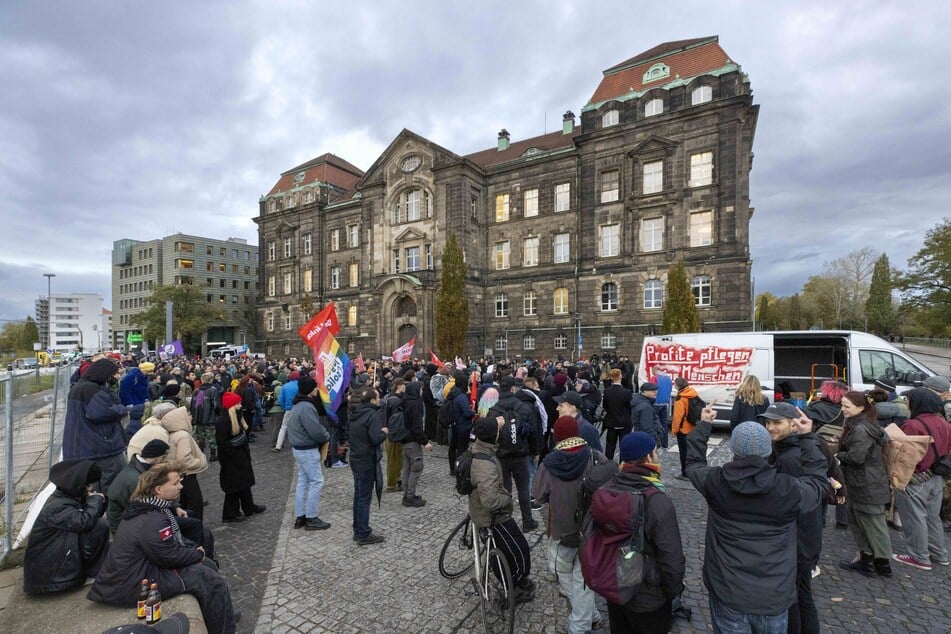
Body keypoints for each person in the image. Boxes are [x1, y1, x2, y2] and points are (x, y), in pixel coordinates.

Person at [686, 411, 827, 632]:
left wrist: (704, 425)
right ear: (767, 449)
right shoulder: (787, 489)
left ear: (734, 449)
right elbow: (818, 482)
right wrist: (806, 438)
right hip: (773, 593)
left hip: (728, 589)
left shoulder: (715, 482)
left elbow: (693, 464)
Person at [89, 463, 239, 634]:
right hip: (134, 583)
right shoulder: (153, 519)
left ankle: (222, 615)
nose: (181, 486)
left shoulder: (150, 507)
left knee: (209, 566)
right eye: (175, 483)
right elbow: (168, 555)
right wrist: (196, 553)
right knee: (211, 580)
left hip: (138, 572)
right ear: (159, 490)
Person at [532, 417, 615, 634]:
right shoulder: (595, 457)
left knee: (564, 574)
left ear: (557, 436)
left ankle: (579, 626)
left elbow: (538, 496)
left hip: (562, 530)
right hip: (592, 529)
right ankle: (591, 615)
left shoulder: (549, 463)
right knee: (583, 579)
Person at [597, 431, 685, 634]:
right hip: (648, 595)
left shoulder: (606, 489)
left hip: (615, 585)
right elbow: (671, 555)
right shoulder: (656, 499)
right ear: (649, 457)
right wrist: (670, 592)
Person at [760, 402, 827, 634]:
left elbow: (791, 502)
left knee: (795, 599)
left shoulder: (790, 457)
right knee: (801, 594)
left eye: (776, 422)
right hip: (803, 538)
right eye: (767, 422)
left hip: (797, 539)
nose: (770, 427)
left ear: (793, 424)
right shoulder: (793, 449)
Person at [468, 416, 535, 604]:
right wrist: (507, 498)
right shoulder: (485, 464)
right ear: (492, 436)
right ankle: (512, 588)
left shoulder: (478, 448)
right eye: (497, 431)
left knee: (501, 549)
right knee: (520, 549)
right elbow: (490, 500)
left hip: (480, 511)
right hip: (493, 516)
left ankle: (514, 582)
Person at [23, 459, 110, 595]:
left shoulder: (66, 497)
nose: (91, 488)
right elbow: (83, 522)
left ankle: (92, 570)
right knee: (100, 525)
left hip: (56, 566)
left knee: (99, 525)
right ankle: (89, 572)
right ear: (77, 484)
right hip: (50, 578)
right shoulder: (57, 507)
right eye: (88, 485)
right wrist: (95, 500)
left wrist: (98, 500)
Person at [891, 388, 950, 570]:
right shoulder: (945, 423)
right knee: (933, 518)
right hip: (936, 477)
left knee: (915, 517)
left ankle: (919, 557)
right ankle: (939, 554)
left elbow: (903, 453)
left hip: (916, 477)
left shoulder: (913, 425)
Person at [836, 391, 893, 577]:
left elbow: (856, 457)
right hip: (864, 482)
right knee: (859, 521)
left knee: (873, 524)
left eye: (846, 406)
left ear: (860, 407)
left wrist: (837, 456)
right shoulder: (866, 423)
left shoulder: (860, 429)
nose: (842, 409)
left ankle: (881, 564)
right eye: (842, 405)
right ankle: (867, 559)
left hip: (866, 484)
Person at [64, 357, 138, 490]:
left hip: (85, 445)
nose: (116, 377)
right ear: (105, 374)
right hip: (99, 446)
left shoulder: (80, 387)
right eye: (114, 374)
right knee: (112, 482)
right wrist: (122, 409)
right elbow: (101, 412)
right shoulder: (91, 389)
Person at [490, 376, 539, 532]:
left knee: (505, 490)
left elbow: (489, 435)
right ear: (513, 389)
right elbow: (533, 432)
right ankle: (527, 521)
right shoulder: (524, 407)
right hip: (521, 454)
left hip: (502, 455)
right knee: (523, 489)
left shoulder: (493, 410)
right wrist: (535, 451)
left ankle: (506, 523)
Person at [286, 375, 331, 531]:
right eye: (315, 387)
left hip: (299, 448)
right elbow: (315, 430)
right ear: (310, 389)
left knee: (303, 482)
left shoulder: (298, 404)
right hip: (307, 449)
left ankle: (300, 516)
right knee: (316, 481)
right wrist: (326, 435)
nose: (317, 390)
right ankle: (311, 517)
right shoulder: (306, 406)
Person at [216, 391, 266, 522]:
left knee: (244, 484)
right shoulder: (224, 421)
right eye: (238, 403)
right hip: (232, 459)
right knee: (234, 488)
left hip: (240, 457)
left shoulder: (236, 415)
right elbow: (222, 443)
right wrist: (235, 449)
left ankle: (249, 507)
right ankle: (230, 514)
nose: (240, 404)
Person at [348, 388, 386, 545]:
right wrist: (384, 432)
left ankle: (358, 529)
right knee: (364, 498)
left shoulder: (355, 413)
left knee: (358, 496)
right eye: (377, 397)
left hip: (355, 458)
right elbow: (374, 438)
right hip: (366, 460)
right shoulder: (372, 415)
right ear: (372, 400)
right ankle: (363, 533)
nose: (379, 399)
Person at [400, 376, 432, 507]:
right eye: (420, 389)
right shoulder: (415, 404)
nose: (421, 392)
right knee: (416, 468)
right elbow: (417, 427)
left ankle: (407, 494)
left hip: (404, 440)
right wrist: (425, 442)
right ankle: (410, 496)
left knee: (407, 468)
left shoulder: (405, 401)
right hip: (413, 441)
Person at [447, 372, 477, 475]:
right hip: (463, 426)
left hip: (454, 424)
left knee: (452, 448)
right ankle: (459, 468)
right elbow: (467, 413)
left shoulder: (453, 392)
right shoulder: (461, 396)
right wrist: (474, 412)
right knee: (461, 448)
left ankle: (452, 469)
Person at [670, 377, 700, 480]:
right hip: (693, 427)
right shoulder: (693, 393)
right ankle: (693, 471)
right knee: (692, 451)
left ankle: (685, 474)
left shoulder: (680, 398)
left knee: (684, 452)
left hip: (683, 429)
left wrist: (674, 430)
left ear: (678, 386)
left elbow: (677, 417)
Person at [601, 368, 633, 460]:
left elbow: (605, 406)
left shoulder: (607, 391)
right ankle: (622, 464)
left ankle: (608, 464)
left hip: (611, 421)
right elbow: (629, 407)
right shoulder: (626, 392)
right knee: (624, 445)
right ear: (620, 376)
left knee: (610, 445)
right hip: (624, 421)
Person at [381, 378, 406, 492]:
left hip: (392, 432)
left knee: (397, 458)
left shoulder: (388, 397)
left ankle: (397, 478)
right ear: (399, 386)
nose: (405, 387)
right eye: (403, 385)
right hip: (394, 433)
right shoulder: (395, 400)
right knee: (394, 459)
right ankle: (391, 484)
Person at [191, 371, 221, 462]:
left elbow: (192, 405)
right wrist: (218, 414)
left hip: (198, 417)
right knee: (211, 436)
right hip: (210, 417)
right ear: (211, 379)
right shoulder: (213, 390)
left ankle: (200, 454)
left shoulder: (196, 390)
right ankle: (212, 455)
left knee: (200, 436)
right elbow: (216, 405)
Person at [119, 361, 152, 442]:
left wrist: (146, 399)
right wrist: (129, 404)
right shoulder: (131, 377)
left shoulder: (145, 377)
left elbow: (145, 390)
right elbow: (125, 391)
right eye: (150, 371)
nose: (151, 373)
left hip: (141, 403)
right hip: (132, 404)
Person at [631, 382, 664, 450]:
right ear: (645, 391)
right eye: (653, 390)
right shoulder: (645, 407)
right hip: (647, 440)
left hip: (640, 436)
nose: (656, 392)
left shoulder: (640, 401)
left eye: (656, 390)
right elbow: (647, 428)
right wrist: (656, 441)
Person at [272, 370, 300, 451]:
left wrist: (285, 407)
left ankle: (278, 446)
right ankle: (297, 444)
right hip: (298, 408)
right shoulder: (300, 385)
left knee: (283, 427)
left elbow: (280, 399)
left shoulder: (285, 386)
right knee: (298, 427)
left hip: (288, 409)